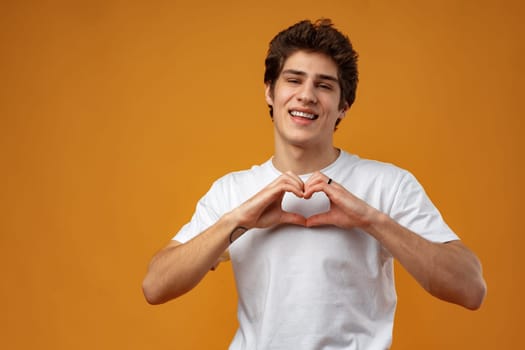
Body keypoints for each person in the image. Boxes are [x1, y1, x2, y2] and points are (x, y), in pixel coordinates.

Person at [142, 19, 486, 349]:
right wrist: (237, 221)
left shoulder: (388, 184)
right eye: (294, 80)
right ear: (269, 93)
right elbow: (155, 286)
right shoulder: (233, 191)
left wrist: (371, 220)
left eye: (324, 85)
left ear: (343, 106)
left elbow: (470, 288)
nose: (306, 95)